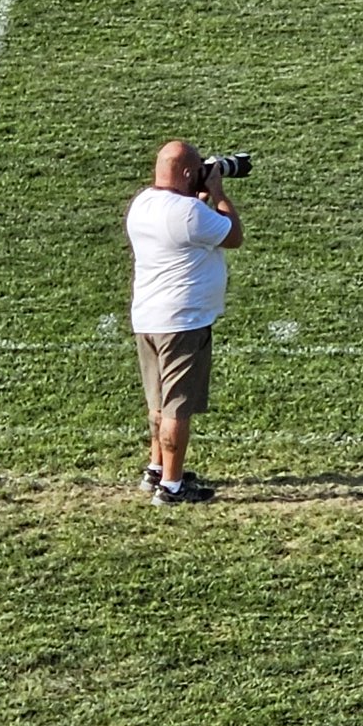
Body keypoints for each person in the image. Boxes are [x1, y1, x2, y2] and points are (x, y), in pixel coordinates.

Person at [126, 140, 244, 505]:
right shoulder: (191, 214)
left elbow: (187, 221)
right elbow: (232, 234)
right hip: (183, 321)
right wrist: (219, 192)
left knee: (158, 402)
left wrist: (198, 194)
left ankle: (156, 468)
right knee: (178, 405)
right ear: (191, 174)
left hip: (147, 318)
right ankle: (173, 486)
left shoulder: (142, 204)